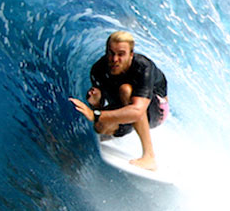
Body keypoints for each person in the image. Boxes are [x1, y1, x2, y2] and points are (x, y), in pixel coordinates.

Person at [69, 30, 169, 170]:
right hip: (126, 107)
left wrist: (95, 115)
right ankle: (114, 135)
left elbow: (137, 110)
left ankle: (149, 157)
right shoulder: (98, 69)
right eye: (111, 53)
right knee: (100, 127)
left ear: (131, 55)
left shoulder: (143, 67)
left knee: (126, 90)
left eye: (121, 54)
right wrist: (96, 102)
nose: (115, 59)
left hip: (155, 112)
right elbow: (101, 108)